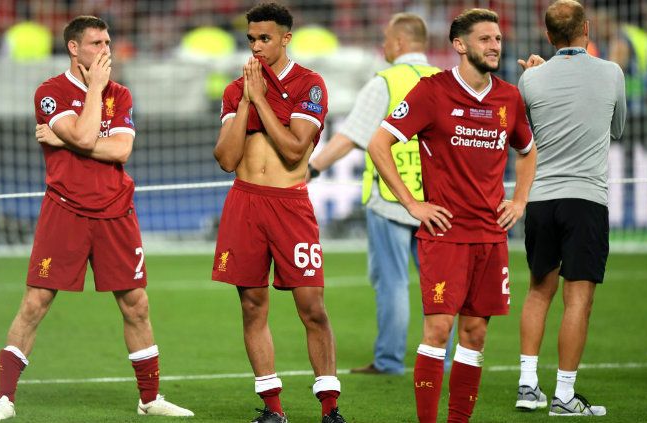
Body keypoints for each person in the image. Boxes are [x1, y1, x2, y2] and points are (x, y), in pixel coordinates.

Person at [0, 16, 193, 421]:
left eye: (108, 42)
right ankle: (4, 399)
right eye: (96, 43)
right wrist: (89, 101)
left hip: (116, 213)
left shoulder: (122, 94)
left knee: (136, 305)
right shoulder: (49, 92)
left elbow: (119, 152)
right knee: (36, 301)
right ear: (74, 48)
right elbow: (84, 137)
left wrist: (69, 136)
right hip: (65, 212)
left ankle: (149, 399)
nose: (105, 50)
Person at [367, 8, 537, 423]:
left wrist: (519, 202)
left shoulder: (509, 98)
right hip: (444, 235)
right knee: (438, 332)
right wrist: (412, 204)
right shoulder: (433, 92)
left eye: (497, 39)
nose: (495, 46)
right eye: (485, 39)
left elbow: (528, 152)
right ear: (459, 45)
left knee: (475, 335)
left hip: (491, 237)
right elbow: (378, 143)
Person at [211, 3, 346, 423]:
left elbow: (293, 151)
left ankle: (330, 408)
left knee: (313, 307)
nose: (256, 46)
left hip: (290, 205)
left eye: (264, 38)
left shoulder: (310, 85)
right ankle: (273, 409)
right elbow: (226, 158)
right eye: (251, 39)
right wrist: (248, 102)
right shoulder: (236, 90)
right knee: (252, 305)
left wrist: (261, 101)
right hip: (244, 202)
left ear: (286, 37)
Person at [308, 13, 450, 375]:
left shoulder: (385, 82)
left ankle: (389, 360)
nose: (382, 45)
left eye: (386, 38)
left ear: (400, 43)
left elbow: (351, 136)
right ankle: (444, 359)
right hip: (438, 201)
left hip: (392, 197)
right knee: (439, 284)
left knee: (392, 282)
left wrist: (312, 168)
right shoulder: (447, 82)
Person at [515, 0, 626, 417]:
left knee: (538, 291)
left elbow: (525, 133)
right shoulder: (611, 72)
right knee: (578, 299)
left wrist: (537, 75)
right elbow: (617, 129)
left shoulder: (531, 80)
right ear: (587, 28)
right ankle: (563, 395)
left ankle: (528, 386)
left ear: (548, 36)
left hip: (541, 199)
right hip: (586, 199)